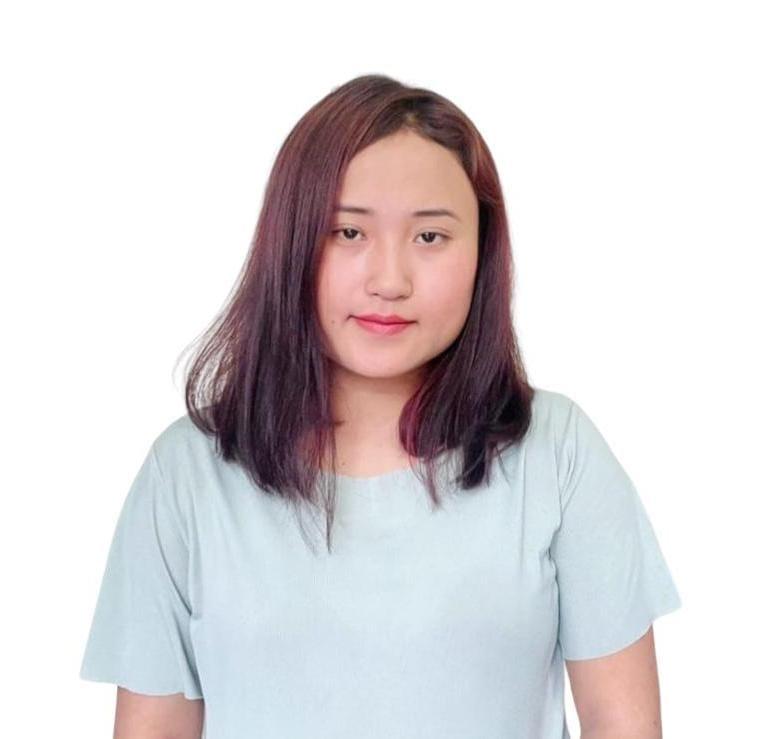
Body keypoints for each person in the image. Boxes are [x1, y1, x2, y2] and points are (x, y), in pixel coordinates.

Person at [79, 74, 682, 738]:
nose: (389, 280)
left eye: (430, 237)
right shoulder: (187, 475)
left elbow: (624, 725)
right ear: (290, 243)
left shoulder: (558, 453)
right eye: (348, 232)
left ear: (483, 252)